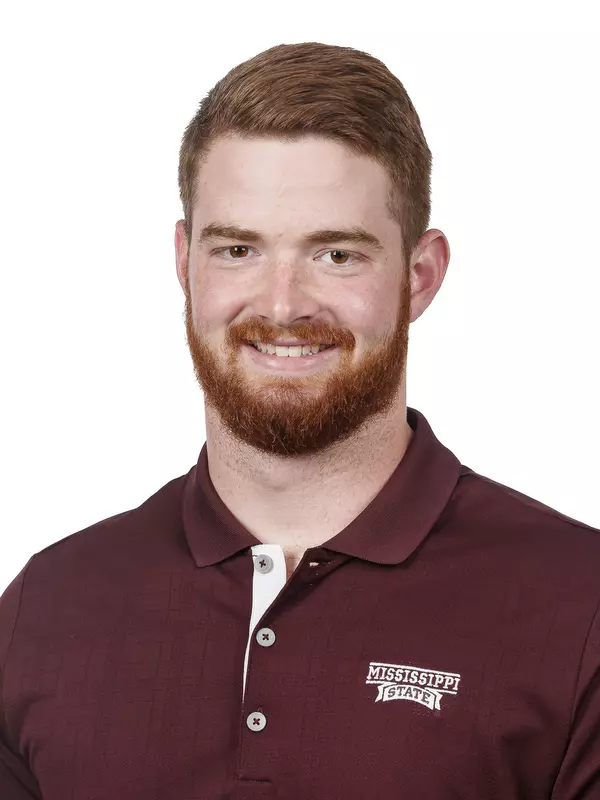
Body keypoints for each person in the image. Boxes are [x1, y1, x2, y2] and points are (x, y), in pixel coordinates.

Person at [1, 41, 599, 800]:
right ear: (185, 261)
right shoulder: (48, 606)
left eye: (338, 255)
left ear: (420, 277)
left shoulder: (577, 608)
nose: (282, 306)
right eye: (240, 248)